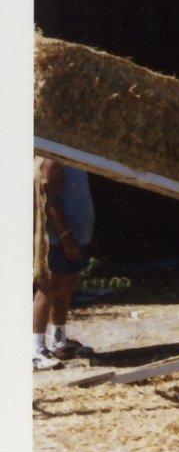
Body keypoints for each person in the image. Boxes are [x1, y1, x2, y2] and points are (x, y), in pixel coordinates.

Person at [33, 158, 95, 370]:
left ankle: (59, 340)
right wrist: (65, 236)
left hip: (79, 235)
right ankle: (36, 349)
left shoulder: (78, 156)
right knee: (48, 287)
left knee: (66, 285)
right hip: (59, 238)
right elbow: (49, 200)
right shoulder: (54, 159)